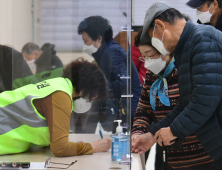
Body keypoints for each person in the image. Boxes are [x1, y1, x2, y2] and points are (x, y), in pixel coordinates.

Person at [132, 2, 222, 169]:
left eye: (153, 38)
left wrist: (173, 130)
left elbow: (205, 99)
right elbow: (186, 103)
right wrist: (152, 134)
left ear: (160, 26)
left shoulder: (202, 39)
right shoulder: (186, 47)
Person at [0, 58, 111, 156]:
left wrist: (74, 147)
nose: (90, 102)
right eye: (93, 97)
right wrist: (93, 146)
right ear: (87, 88)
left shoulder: (58, 85)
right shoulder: (61, 95)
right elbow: (60, 148)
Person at [77, 16, 141, 132]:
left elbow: (122, 82)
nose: (84, 46)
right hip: (121, 110)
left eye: (86, 41)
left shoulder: (112, 52)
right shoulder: (105, 52)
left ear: (99, 38)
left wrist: (98, 90)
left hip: (128, 112)